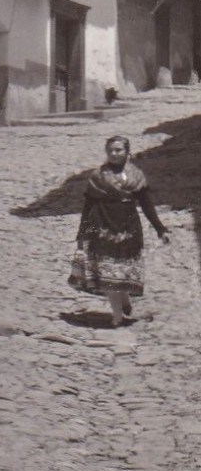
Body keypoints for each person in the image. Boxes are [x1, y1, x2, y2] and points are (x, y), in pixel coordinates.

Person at [69, 135, 170, 327]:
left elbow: (147, 204)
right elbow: (88, 205)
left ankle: (124, 299)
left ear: (127, 152)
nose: (114, 154)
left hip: (128, 226)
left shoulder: (137, 176)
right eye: (110, 150)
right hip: (102, 225)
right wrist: (82, 232)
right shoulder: (97, 176)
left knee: (123, 269)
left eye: (118, 150)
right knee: (109, 270)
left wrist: (160, 229)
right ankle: (117, 314)